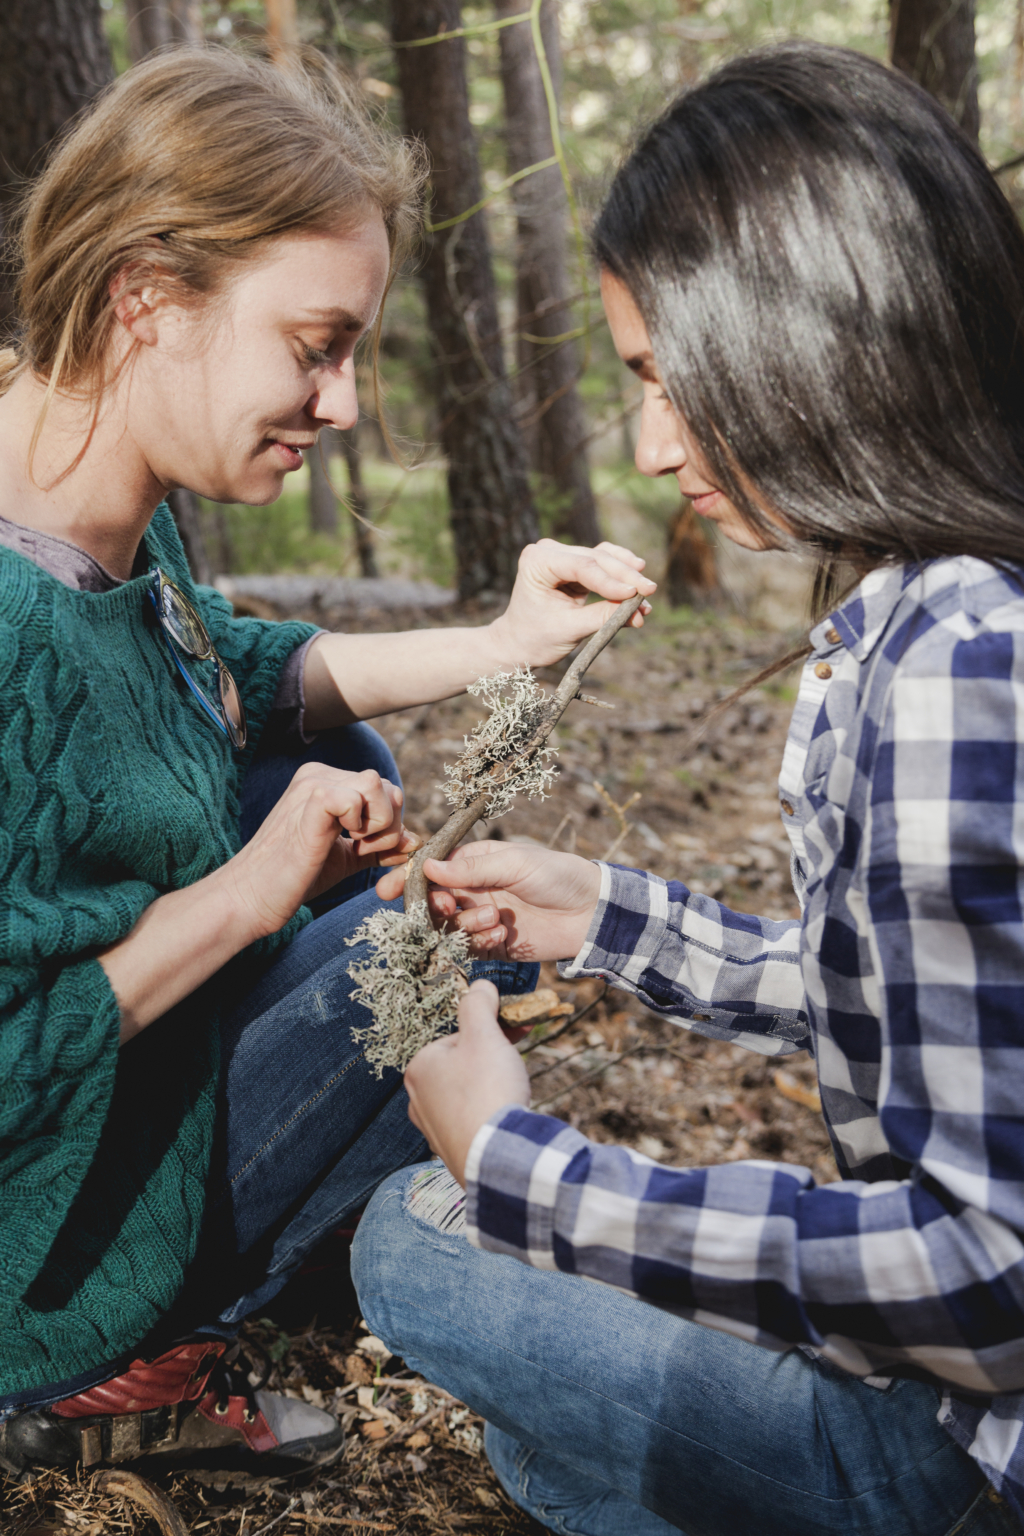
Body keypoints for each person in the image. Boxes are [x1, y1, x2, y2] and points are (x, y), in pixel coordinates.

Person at [353, 41, 1024, 1536]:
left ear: (811, 330)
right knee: (553, 1439)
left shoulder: (963, 666)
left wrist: (522, 1169)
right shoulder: (927, 612)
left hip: (964, 1457)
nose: (654, 445)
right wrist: (607, 914)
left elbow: (989, 1283)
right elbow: (915, 999)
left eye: (667, 375)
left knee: (414, 1243)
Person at [0, 46, 656, 1483]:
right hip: (31, 1242)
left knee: (337, 755)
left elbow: (224, 669)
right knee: (447, 945)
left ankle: (357, 1147)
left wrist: (503, 643)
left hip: (135, 1057)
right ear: (146, 301)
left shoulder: (96, 478)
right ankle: (121, 1363)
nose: (346, 402)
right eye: (315, 345)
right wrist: (247, 897)